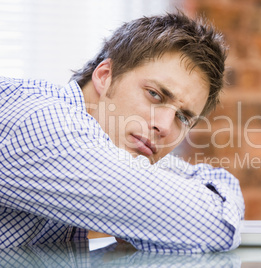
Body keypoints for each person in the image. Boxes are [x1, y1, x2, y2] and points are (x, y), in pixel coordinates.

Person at [0, 12, 245, 253]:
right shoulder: (43, 126)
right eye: (155, 94)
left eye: (183, 117)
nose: (165, 126)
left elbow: (222, 185)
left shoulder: (114, 144)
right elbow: (216, 226)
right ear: (105, 76)